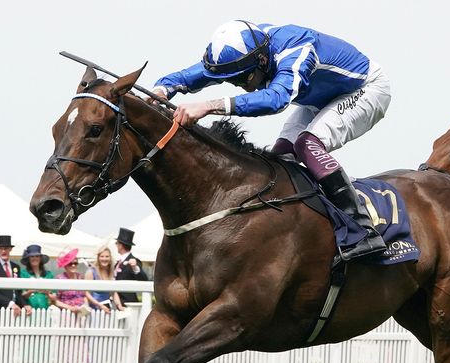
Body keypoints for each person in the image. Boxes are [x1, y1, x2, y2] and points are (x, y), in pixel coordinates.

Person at [150, 20, 390, 260]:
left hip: (366, 89)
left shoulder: (297, 49)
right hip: (320, 96)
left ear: (262, 61)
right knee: (281, 156)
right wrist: (162, 89)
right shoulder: (249, 51)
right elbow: (194, 75)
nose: (240, 86)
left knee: (306, 145)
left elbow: (276, 99)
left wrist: (209, 106)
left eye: (242, 79)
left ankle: (363, 229)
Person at [0, 235, 32, 317]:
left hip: (16, 310)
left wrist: (25, 305)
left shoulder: (15, 267)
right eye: (1, 248)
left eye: (5, 248)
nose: (3, 251)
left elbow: (18, 291)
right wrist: (10, 304)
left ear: (10, 249)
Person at [113, 228, 148, 309]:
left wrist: (135, 268)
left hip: (128, 304)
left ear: (120, 245)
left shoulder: (134, 261)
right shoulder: (117, 263)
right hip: (116, 303)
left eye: (116, 243)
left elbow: (144, 279)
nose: (116, 246)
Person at [19, 244, 56, 310]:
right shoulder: (23, 274)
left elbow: (54, 297)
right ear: (28, 259)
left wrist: (47, 293)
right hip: (29, 309)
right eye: (32, 256)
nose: (35, 258)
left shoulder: (49, 274)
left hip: (45, 309)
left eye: (37, 256)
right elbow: (21, 296)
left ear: (40, 258)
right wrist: (31, 291)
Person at [55, 248, 91, 315]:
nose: (73, 265)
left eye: (75, 263)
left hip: (81, 313)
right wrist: (70, 308)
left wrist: (86, 306)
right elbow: (55, 300)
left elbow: (84, 296)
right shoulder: (60, 279)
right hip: (66, 313)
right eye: (70, 263)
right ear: (65, 266)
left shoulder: (80, 277)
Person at [84, 245, 116, 313]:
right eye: (102, 256)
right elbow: (87, 293)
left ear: (110, 258)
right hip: (94, 309)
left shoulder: (111, 273)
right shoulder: (91, 272)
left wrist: (120, 306)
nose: (104, 259)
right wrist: (100, 305)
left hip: (107, 309)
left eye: (107, 256)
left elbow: (114, 293)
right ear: (98, 258)